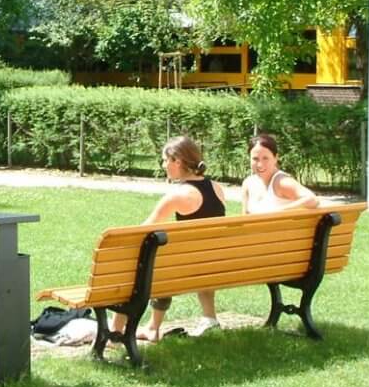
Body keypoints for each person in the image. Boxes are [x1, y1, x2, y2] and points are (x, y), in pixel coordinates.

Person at [114, 136, 226, 343]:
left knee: (139, 267)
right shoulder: (216, 188)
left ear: (178, 161)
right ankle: (206, 319)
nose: (163, 165)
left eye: (165, 160)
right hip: (212, 265)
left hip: (180, 270)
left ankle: (115, 332)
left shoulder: (178, 195)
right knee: (167, 261)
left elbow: (142, 230)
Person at [241, 134, 320, 214]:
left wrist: (279, 211)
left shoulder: (281, 182)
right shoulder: (248, 183)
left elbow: (312, 200)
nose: (260, 164)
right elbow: (244, 216)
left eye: (265, 158)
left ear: (275, 158)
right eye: (255, 159)